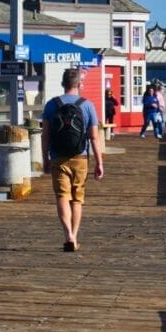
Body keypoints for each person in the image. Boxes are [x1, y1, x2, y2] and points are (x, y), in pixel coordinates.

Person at [41, 68, 103, 252]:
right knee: (77, 198)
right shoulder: (87, 105)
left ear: (63, 83)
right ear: (79, 85)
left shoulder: (51, 105)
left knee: (62, 195)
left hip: (58, 156)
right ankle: (74, 236)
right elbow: (93, 137)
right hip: (80, 156)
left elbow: (45, 135)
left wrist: (45, 158)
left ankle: (67, 233)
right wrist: (99, 162)